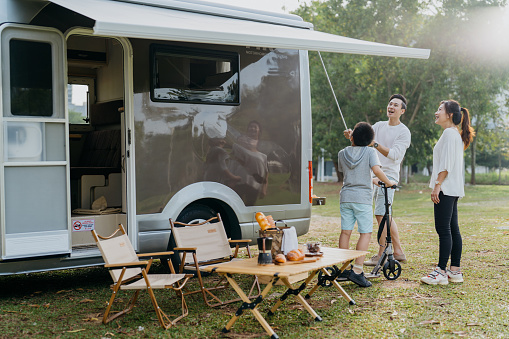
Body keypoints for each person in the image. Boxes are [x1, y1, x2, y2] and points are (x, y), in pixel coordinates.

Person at [344, 94, 411, 266]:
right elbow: (364, 138)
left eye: (396, 105)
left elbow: (395, 155)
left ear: (402, 111)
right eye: (390, 103)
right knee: (383, 214)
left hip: (388, 175)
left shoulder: (404, 132)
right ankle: (398, 251)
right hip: (374, 175)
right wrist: (353, 136)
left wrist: (374, 144)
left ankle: (382, 253)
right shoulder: (379, 126)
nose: (391, 106)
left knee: (381, 214)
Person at [421, 100, 474, 285]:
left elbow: (446, 164)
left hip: (446, 188)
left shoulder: (449, 134)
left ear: (449, 114)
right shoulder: (453, 134)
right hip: (452, 189)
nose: (436, 112)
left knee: (443, 230)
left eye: (440, 110)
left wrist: (437, 184)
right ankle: (455, 271)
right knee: (452, 229)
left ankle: (441, 271)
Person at [337, 122, 396, 287]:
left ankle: (343, 269)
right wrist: (388, 182)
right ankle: (357, 270)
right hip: (362, 199)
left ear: (352, 137)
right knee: (365, 233)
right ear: (370, 140)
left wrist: (372, 180)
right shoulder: (370, 151)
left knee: (345, 233)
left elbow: (352, 174)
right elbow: (376, 170)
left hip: (346, 197)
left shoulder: (342, 153)